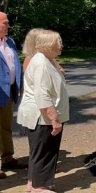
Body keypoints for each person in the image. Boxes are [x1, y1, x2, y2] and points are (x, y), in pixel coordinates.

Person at [17, 30, 69, 192]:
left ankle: (33, 183)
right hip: (42, 117)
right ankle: (40, 187)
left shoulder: (47, 59)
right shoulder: (40, 62)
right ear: (48, 45)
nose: (61, 45)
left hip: (42, 116)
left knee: (40, 151)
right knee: (44, 152)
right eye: (57, 42)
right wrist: (54, 119)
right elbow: (42, 94)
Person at [0, 11, 26, 179]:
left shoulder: (9, 41)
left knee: (6, 126)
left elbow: (16, 64)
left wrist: (21, 86)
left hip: (8, 92)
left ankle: (7, 158)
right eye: (5, 22)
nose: (8, 25)